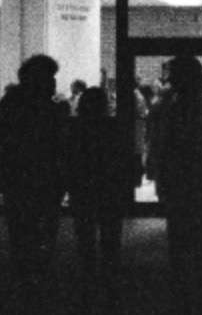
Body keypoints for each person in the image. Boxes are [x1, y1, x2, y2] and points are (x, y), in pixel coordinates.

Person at [0, 54, 70, 304]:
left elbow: (2, 144)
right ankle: (38, 279)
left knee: (21, 231)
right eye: (50, 78)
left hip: (19, 179)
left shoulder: (11, 105)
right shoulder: (51, 110)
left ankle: (25, 281)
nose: (53, 84)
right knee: (43, 230)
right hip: (43, 179)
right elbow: (59, 146)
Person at [151, 55, 202, 314]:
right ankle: (201, 287)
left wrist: (162, 176)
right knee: (196, 235)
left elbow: (173, 146)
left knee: (182, 237)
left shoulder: (183, 106)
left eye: (173, 75)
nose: (169, 79)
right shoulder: (197, 105)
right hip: (194, 180)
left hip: (184, 180)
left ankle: (187, 289)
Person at [66, 86, 130, 288]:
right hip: (109, 187)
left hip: (83, 187)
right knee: (110, 232)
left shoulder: (75, 128)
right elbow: (122, 159)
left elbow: (69, 159)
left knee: (85, 232)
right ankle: (110, 273)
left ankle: (88, 273)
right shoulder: (113, 127)